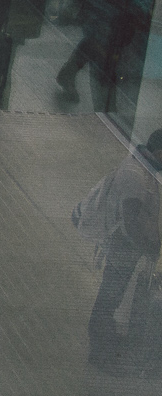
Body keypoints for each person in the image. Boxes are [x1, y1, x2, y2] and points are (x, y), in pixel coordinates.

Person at [77, 130, 162, 369]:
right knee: (111, 293)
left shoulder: (141, 167)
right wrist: (146, 247)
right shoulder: (136, 176)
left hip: (126, 245)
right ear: (158, 152)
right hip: (125, 246)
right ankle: (100, 349)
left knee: (113, 293)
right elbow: (130, 220)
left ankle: (105, 338)